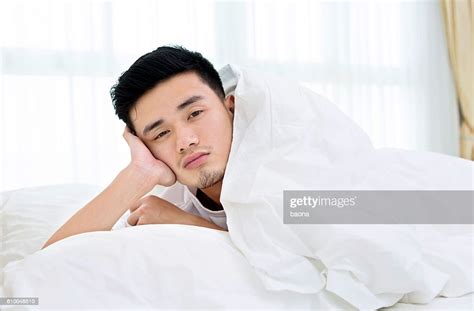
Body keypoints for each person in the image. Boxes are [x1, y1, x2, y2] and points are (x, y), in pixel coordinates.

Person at [42, 46, 234, 249]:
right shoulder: (167, 206)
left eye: (195, 114)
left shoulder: (268, 165)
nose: (185, 142)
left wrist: (188, 224)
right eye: (161, 133)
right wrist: (140, 173)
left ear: (230, 107)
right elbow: (46, 266)